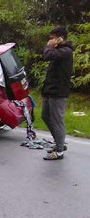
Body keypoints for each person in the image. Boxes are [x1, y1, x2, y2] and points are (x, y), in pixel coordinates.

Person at [42, 26, 74, 161]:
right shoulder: (58, 50)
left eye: (52, 38)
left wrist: (48, 46)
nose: (50, 41)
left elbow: (47, 55)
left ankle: (59, 151)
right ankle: (59, 143)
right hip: (50, 90)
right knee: (45, 116)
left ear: (61, 38)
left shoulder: (65, 51)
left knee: (57, 120)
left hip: (58, 92)